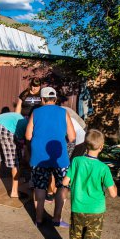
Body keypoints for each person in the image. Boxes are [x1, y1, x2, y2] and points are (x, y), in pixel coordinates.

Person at [25, 87, 76, 227]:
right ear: (55, 99)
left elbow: (28, 136)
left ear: (42, 99)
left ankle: (39, 220)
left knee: (40, 187)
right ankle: (56, 219)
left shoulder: (35, 112)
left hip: (39, 156)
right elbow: (72, 137)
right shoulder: (64, 112)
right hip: (59, 157)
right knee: (62, 186)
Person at [62, 129, 117, 239]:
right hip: (96, 211)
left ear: (85, 145)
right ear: (101, 147)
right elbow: (113, 194)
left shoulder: (76, 161)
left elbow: (65, 182)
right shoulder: (104, 168)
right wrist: (114, 185)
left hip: (78, 208)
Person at [0, 112, 28, 198]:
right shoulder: (25, 123)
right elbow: (24, 141)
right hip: (5, 129)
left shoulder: (16, 116)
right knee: (15, 160)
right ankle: (14, 192)